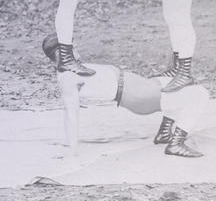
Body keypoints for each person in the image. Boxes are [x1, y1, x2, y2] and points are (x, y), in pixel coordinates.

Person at [42, 35, 204, 158]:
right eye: (69, 49)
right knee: (200, 94)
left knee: (181, 83)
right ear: (60, 55)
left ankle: (164, 133)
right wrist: (71, 148)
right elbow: (71, 113)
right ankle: (176, 144)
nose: (75, 50)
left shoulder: (72, 69)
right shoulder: (68, 77)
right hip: (136, 95)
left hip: (137, 87)